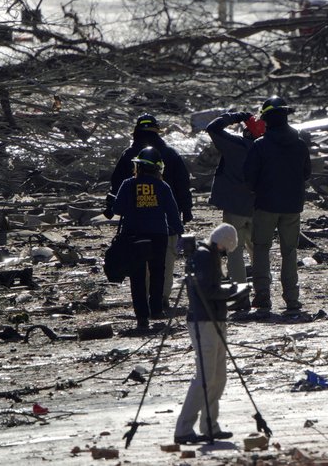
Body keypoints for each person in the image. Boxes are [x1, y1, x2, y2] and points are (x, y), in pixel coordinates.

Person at [105, 114, 193, 314]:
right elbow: (181, 187)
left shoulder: (128, 161)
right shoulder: (169, 159)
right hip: (162, 231)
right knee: (161, 269)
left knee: (138, 272)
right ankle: (160, 303)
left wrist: (113, 206)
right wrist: (184, 219)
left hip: (133, 231)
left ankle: (142, 312)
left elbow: (116, 194)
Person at [174, 223, 244, 445]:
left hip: (215, 319)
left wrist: (228, 289)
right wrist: (232, 291)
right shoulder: (205, 256)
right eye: (226, 249)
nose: (225, 253)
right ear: (223, 242)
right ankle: (184, 429)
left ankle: (209, 427)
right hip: (204, 322)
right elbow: (205, 291)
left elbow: (209, 287)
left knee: (218, 377)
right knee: (205, 377)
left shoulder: (210, 254)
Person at [243, 96, 311, 316]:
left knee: (261, 249)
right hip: (292, 207)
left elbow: (248, 178)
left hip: (265, 205)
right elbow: (307, 173)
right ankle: (292, 299)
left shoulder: (260, 145)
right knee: (289, 252)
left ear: (267, 119)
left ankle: (262, 298)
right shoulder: (300, 144)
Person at [112, 146, 185, 331]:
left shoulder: (127, 184)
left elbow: (117, 210)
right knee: (157, 272)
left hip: (133, 236)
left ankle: (142, 317)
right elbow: (173, 213)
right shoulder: (162, 186)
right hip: (158, 235)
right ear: (158, 168)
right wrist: (181, 234)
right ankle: (157, 310)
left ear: (138, 166)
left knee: (137, 277)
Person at [206, 111, 266, 310]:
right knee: (259, 253)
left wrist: (237, 116)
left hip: (235, 208)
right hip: (259, 208)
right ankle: (263, 296)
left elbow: (212, 127)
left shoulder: (236, 146)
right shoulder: (268, 149)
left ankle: (241, 299)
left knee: (235, 254)